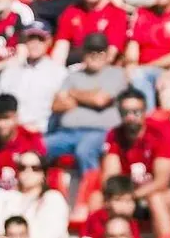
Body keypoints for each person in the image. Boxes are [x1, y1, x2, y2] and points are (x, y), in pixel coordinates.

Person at [102, 87, 170, 235]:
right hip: (133, 196)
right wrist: (119, 199)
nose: (130, 117)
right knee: (98, 198)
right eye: (125, 112)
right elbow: (111, 179)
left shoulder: (160, 133)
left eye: (136, 111)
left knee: (155, 198)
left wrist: (127, 198)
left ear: (145, 111)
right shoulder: (115, 135)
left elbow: (162, 182)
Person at [46, 32, 127, 177]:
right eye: (91, 51)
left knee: (84, 151)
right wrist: (88, 96)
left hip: (99, 132)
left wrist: (72, 94)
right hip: (66, 133)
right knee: (39, 146)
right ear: (84, 53)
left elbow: (100, 100)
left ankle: (91, 194)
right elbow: (56, 105)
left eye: (100, 51)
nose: (95, 55)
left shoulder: (116, 74)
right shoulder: (72, 75)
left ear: (107, 54)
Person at [0, 149, 70, 238]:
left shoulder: (53, 199)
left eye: (35, 168)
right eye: (22, 167)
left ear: (44, 173)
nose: (28, 172)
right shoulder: (10, 197)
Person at [0, 94, 46, 209]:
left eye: (6, 118)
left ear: (16, 116)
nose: (1, 124)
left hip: (27, 198)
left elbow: (39, 176)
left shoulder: (31, 138)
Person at [0, 20, 68, 132]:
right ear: (25, 41)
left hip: (42, 132)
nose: (35, 44)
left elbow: (64, 107)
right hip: (12, 132)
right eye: (31, 39)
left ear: (49, 42)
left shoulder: (59, 73)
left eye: (40, 40)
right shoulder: (11, 71)